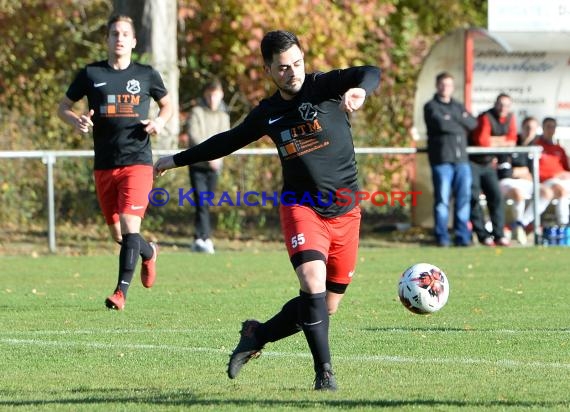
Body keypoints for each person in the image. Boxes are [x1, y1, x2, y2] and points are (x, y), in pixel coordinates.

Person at [155, 30, 381, 391]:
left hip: (347, 211)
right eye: (283, 68)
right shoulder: (269, 113)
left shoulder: (325, 86)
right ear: (269, 71)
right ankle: (325, 374)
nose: (293, 72)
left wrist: (360, 90)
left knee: (327, 305)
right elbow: (226, 141)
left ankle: (256, 334)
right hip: (302, 207)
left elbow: (370, 70)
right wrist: (175, 159)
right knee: (312, 282)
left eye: (297, 63)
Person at [57, 15, 173, 310]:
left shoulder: (146, 74)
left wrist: (160, 121)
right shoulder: (91, 73)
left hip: (138, 161)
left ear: (133, 42)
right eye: (114, 34)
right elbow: (63, 107)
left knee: (129, 224)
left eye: (124, 34)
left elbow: (168, 104)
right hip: (104, 164)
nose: (119, 38)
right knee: (120, 235)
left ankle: (120, 293)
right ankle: (149, 252)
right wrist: (77, 121)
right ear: (106, 40)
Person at [423, 72, 477, 247]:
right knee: (442, 201)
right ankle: (442, 237)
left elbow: (473, 124)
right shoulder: (431, 106)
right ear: (437, 85)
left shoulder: (458, 105)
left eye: (449, 85)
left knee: (463, 200)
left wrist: (453, 120)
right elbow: (441, 125)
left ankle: (463, 237)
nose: (445, 88)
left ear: (453, 87)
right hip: (442, 160)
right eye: (442, 84)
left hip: (462, 161)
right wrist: (459, 122)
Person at [181, 79, 230, 254]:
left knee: (206, 203)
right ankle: (205, 238)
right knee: (201, 201)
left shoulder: (224, 116)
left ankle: (198, 237)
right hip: (198, 165)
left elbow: (227, 139)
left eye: (215, 95)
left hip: (215, 166)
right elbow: (194, 136)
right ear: (205, 95)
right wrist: (209, 156)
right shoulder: (197, 112)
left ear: (221, 95)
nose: (212, 98)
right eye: (209, 95)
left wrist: (218, 157)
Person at [469, 93, 517, 246]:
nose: (503, 108)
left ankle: (499, 234)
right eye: (500, 104)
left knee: (496, 197)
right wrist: (502, 141)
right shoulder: (485, 117)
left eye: (506, 105)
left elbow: (513, 140)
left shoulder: (510, 118)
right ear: (495, 104)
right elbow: (483, 142)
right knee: (474, 199)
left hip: (489, 163)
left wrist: (494, 141)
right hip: (473, 163)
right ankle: (483, 236)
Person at [499, 116, 552, 244]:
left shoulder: (536, 147)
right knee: (518, 194)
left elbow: (535, 173)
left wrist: (520, 171)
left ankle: (521, 223)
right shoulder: (512, 143)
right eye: (527, 128)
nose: (529, 131)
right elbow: (505, 171)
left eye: (533, 129)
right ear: (521, 128)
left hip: (527, 182)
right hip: (507, 182)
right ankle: (518, 228)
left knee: (546, 192)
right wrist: (523, 171)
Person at [535, 117, 570, 228]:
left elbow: (566, 168)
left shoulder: (559, 149)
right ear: (543, 128)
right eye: (548, 126)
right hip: (546, 182)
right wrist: (555, 175)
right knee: (561, 191)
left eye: (553, 127)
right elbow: (535, 171)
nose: (551, 129)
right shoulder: (536, 147)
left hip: (563, 180)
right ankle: (563, 225)